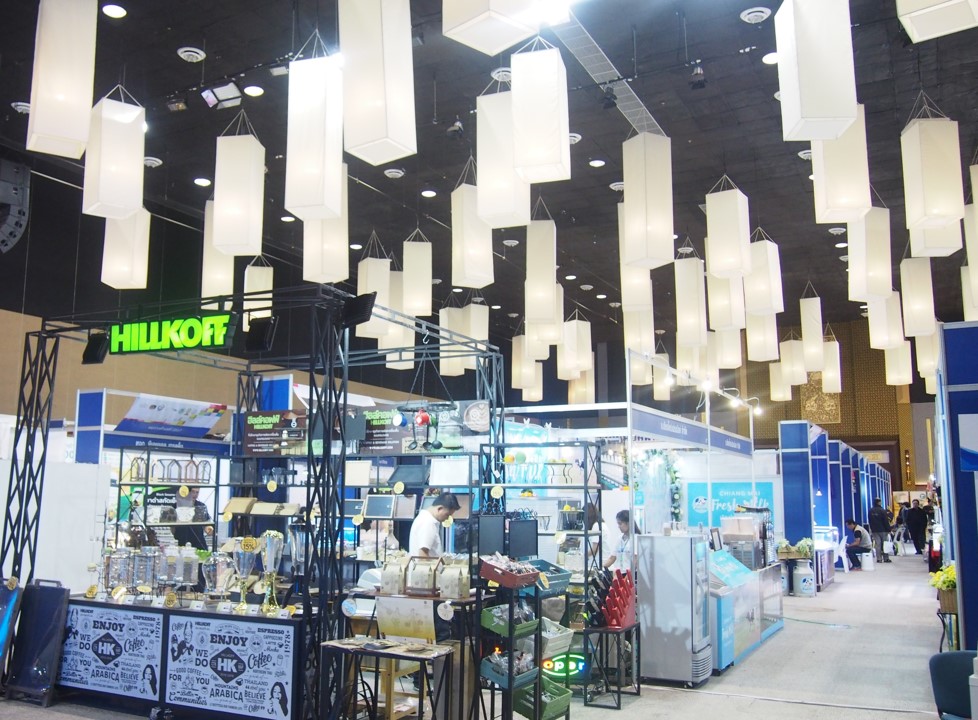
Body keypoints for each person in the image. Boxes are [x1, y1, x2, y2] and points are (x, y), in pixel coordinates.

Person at [408, 492, 460, 558]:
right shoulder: (428, 522)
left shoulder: (425, 518)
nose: (447, 518)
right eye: (447, 515)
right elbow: (423, 555)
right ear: (440, 509)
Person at [585, 503, 616, 569]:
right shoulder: (602, 524)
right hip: (604, 563)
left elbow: (594, 549)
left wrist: (581, 556)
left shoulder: (596, 526)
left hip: (601, 564)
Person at [867, 499, 892, 563]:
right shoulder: (882, 510)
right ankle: (886, 558)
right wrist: (888, 529)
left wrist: (872, 529)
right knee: (885, 544)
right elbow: (885, 521)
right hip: (883, 530)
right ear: (879, 503)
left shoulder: (870, 511)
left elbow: (870, 521)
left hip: (874, 530)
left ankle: (879, 558)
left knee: (878, 544)